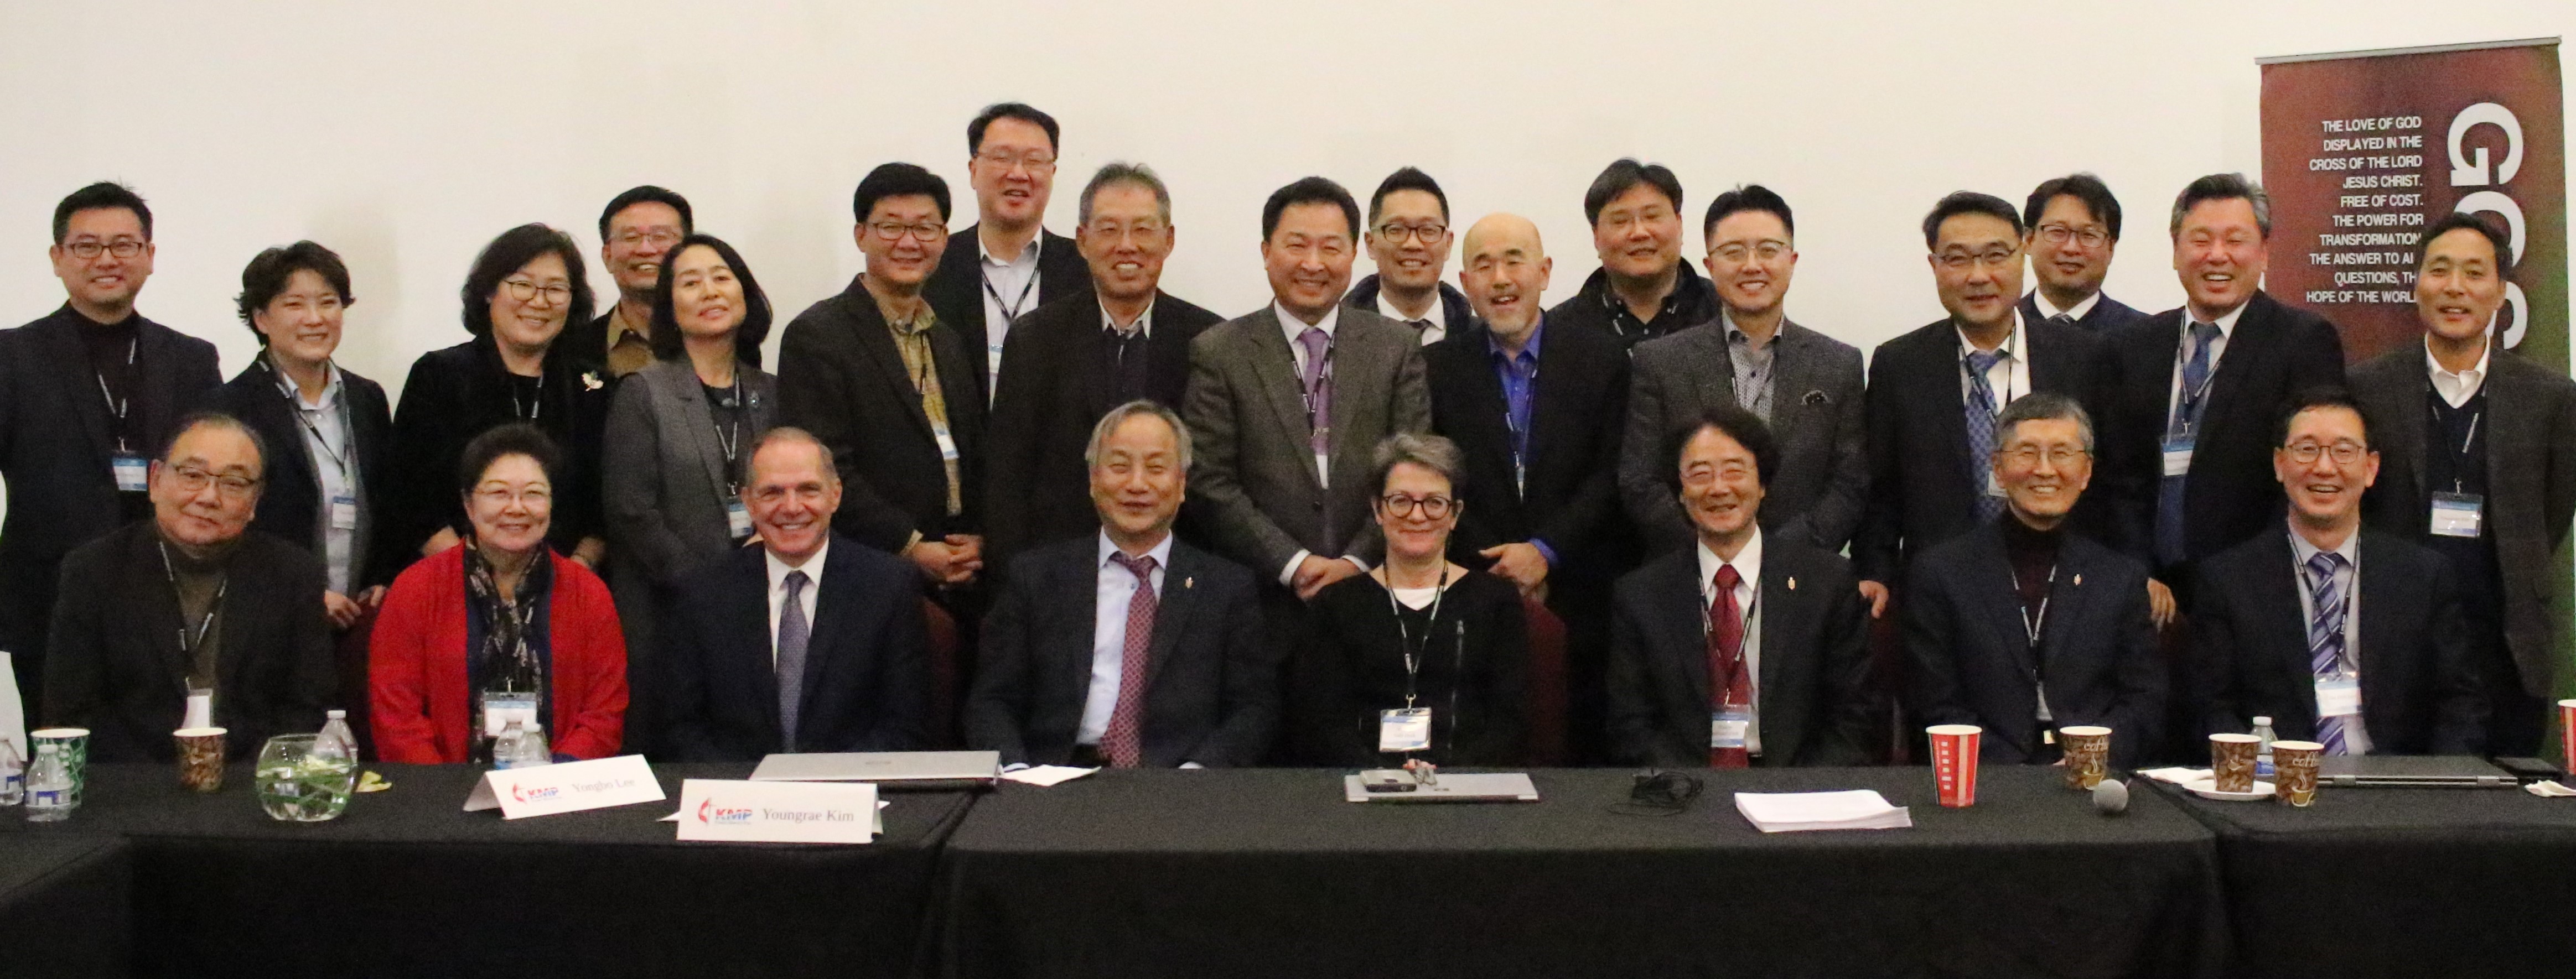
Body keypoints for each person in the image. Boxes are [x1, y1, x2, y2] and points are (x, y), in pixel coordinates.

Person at [2354, 211, 2576, 757]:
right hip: (2394, 649)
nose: (2454, 287)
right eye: (2439, 270)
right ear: (2416, 284)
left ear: (2500, 292)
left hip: (2505, 650)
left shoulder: (2548, 399)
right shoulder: (2367, 388)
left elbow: (2549, 515)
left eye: (2474, 273)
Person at [0, 182, 221, 703]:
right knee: (60, 742)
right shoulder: (13, 356)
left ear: (149, 255)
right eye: (87, 246)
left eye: (124, 245)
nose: (106, 259)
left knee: (169, 743)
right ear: (58, 258)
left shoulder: (190, 358)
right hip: (49, 597)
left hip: (171, 590)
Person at [1423, 212, 1630, 761]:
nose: (1500, 279)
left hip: (1580, 593)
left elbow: (1612, 474)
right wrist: (1500, 562)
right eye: (1483, 265)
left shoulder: (1602, 359)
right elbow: (1433, 478)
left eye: (1514, 261)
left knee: (1578, 755)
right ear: (1464, 283)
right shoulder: (1437, 368)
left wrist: (1544, 551)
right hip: (1472, 590)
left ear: (1544, 271)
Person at [967, 402, 1275, 768]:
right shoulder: (1036, 578)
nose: (1137, 485)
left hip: (1177, 782)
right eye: (1119, 467)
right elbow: (992, 701)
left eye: (1156, 468)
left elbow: (1253, 710)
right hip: (1055, 777)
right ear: (1093, 480)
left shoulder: (1226, 588)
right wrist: (1018, 774)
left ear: (1181, 484)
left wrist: (1196, 776)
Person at [2188, 389, 2485, 756]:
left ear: (2371, 468)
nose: (2324, 468)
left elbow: (2460, 705)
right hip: (2277, 779)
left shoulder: (2423, 577)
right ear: (2279, 464)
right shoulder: (2228, 580)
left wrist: (2435, 783)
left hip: (2395, 781)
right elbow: (2211, 708)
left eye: (2344, 451)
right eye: (2306, 449)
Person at [1858, 192, 2105, 617]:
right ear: (1934, 266)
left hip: (2065, 589)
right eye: (1957, 259)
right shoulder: (1900, 365)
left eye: (1995, 256)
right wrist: (1874, 572)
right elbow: (1880, 491)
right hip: (1940, 598)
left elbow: (2111, 481)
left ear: (2023, 254)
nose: (1978, 276)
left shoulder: (2083, 357)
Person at [2098, 174, 2344, 600]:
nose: (2216, 256)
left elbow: (2303, 477)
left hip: (2254, 589)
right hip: (2146, 594)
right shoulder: (2134, 345)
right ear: (2175, 250)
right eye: (2200, 240)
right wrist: (2137, 575)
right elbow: (2119, 477)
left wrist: (2239, 587)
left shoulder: (2302, 342)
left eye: (2234, 240)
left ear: (2263, 252)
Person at [42, 413, 335, 763]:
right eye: (193, 475)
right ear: (155, 481)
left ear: (255, 501)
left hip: (253, 778)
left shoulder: (293, 575)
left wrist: (242, 776)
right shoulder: (94, 571)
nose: (209, 497)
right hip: (130, 782)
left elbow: (306, 708)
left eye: (234, 483)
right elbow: (74, 712)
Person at [984, 163, 1223, 576]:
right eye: (1110, 230)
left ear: (1168, 240)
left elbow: (1214, 477)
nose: (1126, 246)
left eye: (1143, 230)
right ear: (1083, 240)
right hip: (1059, 570)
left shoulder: (1207, 341)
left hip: (1177, 573)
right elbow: (1008, 477)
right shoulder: (1035, 338)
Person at [1904, 393, 2164, 768]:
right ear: (1997, 467)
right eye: (2027, 453)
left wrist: (2087, 758)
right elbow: (1935, 705)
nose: (2044, 470)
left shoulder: (2119, 578)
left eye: (2061, 453)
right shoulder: (1941, 574)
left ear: (2086, 471)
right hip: (1986, 781)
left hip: (2093, 778)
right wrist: (2018, 777)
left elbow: (2144, 700)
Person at [1606, 405, 1874, 767]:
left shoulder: (1827, 584)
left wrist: (1795, 790)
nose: (1719, 488)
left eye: (1734, 471)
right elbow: (1632, 728)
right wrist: (1691, 790)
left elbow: (1854, 720)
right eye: (1700, 474)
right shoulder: (1641, 596)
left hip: (1799, 785)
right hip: (1684, 788)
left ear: (1762, 485)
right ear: (1680, 491)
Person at [602, 233, 778, 756]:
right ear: (670, 308)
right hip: (669, 611)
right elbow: (633, 512)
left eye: (722, 278)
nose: (710, 291)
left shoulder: (772, 392)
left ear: (745, 294)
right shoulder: (644, 391)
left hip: (761, 605)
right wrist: (711, 587)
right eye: (691, 282)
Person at [1619, 185, 1865, 557]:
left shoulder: (1838, 364)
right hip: (1690, 570)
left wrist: (1776, 557)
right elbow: (1640, 480)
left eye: (1768, 250)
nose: (1752, 266)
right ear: (1710, 266)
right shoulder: (1660, 362)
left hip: (1801, 570)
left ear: (1792, 260)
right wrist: (1711, 554)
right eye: (1733, 252)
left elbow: (1849, 482)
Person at [660, 428, 931, 761]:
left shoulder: (889, 587)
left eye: (808, 490)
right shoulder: (702, 594)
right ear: (749, 502)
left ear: (836, 495)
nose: (791, 507)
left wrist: (827, 786)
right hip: (737, 788)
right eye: (772, 492)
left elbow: (905, 727)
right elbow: (681, 729)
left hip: (851, 787)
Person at [778, 164, 986, 591]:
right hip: (867, 571)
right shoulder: (817, 336)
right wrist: (911, 547)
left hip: (957, 566)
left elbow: (973, 452)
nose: (909, 242)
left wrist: (979, 539)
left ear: (944, 238)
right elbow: (825, 468)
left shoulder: (947, 339)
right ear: (861, 235)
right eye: (891, 227)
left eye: (925, 228)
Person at [371, 424, 628, 763]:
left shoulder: (588, 593)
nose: (517, 508)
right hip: (442, 786)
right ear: (468, 505)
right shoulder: (416, 589)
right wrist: (446, 785)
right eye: (499, 494)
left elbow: (604, 714)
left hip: (560, 785)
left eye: (533, 494)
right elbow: (396, 717)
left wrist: (553, 780)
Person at [384, 224, 611, 571]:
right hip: (452, 576)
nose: (539, 301)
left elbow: (606, 504)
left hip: (567, 582)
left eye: (555, 289)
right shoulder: (439, 375)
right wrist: (481, 577)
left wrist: (575, 571)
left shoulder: (593, 387)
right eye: (522, 285)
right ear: (489, 291)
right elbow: (408, 496)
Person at [204, 241, 400, 629]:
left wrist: (385, 576)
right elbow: (223, 521)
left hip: (358, 617)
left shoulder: (367, 398)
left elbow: (389, 496)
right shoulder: (230, 407)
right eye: (294, 305)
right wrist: (303, 593)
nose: (315, 319)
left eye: (328, 303)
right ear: (261, 318)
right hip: (266, 619)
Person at [1304, 435, 1528, 766]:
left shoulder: (1497, 601)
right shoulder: (1336, 604)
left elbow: (1509, 722)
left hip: (1469, 786)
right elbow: (1324, 723)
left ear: (1455, 514)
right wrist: (1383, 776)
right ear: (1378, 510)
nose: (1417, 516)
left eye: (1434, 503)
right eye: (1401, 501)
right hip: (1362, 784)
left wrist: (1446, 777)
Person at [924, 103, 1093, 401]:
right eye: (1002, 158)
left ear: (1052, 173)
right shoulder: (932, 264)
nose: (1018, 173)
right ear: (973, 170)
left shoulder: (1088, 269)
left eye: (1034, 161)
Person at [1544, 159, 1718, 352]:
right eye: (1620, 221)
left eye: (1652, 216)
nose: (1639, 233)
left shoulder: (1724, 311)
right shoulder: (1556, 331)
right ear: (1596, 236)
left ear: (1679, 224)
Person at [564, 185, 692, 384]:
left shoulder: (724, 338)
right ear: (607, 257)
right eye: (631, 237)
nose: (646, 249)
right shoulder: (571, 350)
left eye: (660, 236)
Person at [1343, 167, 1471, 345]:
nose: (1413, 244)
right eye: (1396, 230)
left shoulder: (1482, 343)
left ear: (1448, 244)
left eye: (1428, 230)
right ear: (1370, 244)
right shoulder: (1339, 340)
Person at [2017, 174, 2149, 333]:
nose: (2071, 248)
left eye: (2089, 235)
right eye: (2058, 232)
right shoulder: (1998, 327)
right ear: (2029, 240)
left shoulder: (2144, 335)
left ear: (2111, 248)